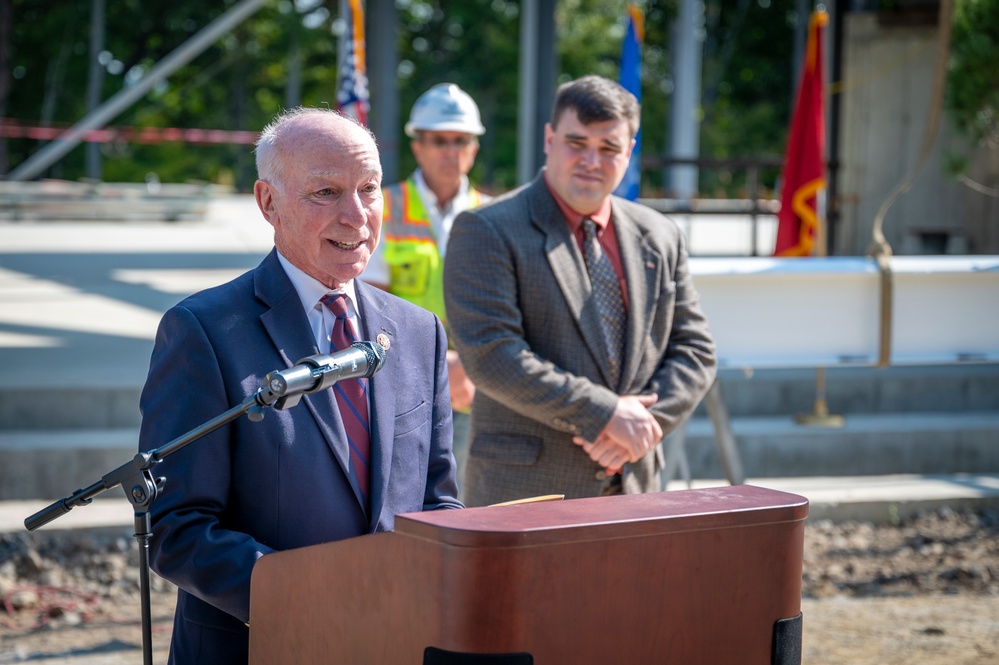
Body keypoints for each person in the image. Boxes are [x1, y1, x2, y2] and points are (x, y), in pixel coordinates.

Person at [138, 107, 462, 664]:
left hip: (396, 642)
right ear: (268, 202)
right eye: (327, 192)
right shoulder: (204, 331)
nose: (356, 215)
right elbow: (177, 528)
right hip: (260, 644)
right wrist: (308, 596)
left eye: (369, 189)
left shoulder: (417, 332)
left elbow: (436, 500)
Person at [443, 75, 717, 507]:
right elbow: (492, 355)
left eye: (609, 148)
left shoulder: (660, 235)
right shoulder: (487, 229)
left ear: (629, 153)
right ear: (549, 139)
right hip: (525, 496)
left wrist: (643, 424)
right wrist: (605, 414)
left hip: (633, 483)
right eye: (577, 142)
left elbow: (695, 349)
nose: (591, 159)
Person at [363, 82, 490, 499]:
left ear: (474, 147)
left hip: (475, 389)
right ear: (417, 146)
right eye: (439, 140)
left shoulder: (495, 216)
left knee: (469, 510)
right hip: (404, 388)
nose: (450, 151)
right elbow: (367, 311)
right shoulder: (380, 207)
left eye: (460, 140)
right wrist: (441, 365)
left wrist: (466, 365)